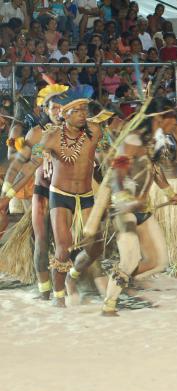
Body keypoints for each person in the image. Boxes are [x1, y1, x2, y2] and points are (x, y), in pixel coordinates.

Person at [102, 98, 177, 316]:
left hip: (143, 209)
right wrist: (126, 200)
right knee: (129, 259)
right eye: (171, 117)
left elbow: (154, 171)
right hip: (124, 209)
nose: (174, 121)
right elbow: (117, 173)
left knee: (158, 261)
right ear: (158, 118)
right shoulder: (132, 139)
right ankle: (109, 306)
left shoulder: (154, 140)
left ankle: (122, 283)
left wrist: (170, 193)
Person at [0, 84, 68, 299]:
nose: (59, 111)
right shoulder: (36, 132)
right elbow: (24, 163)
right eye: (54, 107)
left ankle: (68, 283)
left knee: (65, 242)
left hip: (69, 194)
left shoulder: (75, 131)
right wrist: (7, 194)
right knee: (40, 237)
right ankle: (44, 289)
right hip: (40, 190)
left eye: (62, 106)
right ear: (44, 110)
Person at [40, 85, 103, 306]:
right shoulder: (53, 137)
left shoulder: (94, 132)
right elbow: (35, 155)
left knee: (96, 245)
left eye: (84, 110)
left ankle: (72, 276)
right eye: (76, 111)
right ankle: (58, 298)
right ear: (64, 114)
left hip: (86, 195)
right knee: (63, 247)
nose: (82, 115)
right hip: (61, 195)